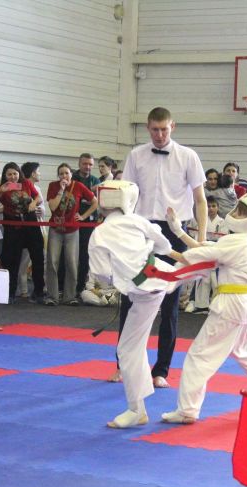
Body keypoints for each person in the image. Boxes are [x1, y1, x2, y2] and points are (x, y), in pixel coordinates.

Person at [161, 192, 247, 424]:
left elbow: (195, 257)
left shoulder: (235, 242)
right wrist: (178, 231)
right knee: (243, 350)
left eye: (241, 212)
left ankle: (187, 410)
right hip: (244, 301)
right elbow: (204, 249)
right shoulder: (243, 242)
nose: (234, 214)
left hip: (231, 304)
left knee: (199, 356)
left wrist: (162, 247)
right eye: (237, 209)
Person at [116, 106, 208, 388]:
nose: (159, 135)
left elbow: (200, 200)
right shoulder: (136, 155)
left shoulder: (188, 156)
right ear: (147, 128)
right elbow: (124, 197)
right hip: (141, 230)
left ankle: (161, 370)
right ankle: (124, 365)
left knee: (169, 302)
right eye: (155, 130)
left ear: (172, 127)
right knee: (130, 296)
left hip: (174, 231)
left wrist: (201, 240)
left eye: (164, 129)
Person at [88, 180, 173, 428]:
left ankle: (137, 410)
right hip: (157, 279)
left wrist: (119, 275)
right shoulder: (137, 221)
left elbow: (101, 274)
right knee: (133, 347)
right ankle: (139, 408)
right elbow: (165, 246)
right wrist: (143, 249)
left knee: (127, 349)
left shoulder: (100, 232)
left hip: (146, 289)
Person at [0, 162, 44, 303]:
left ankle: (39, 292)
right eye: (9, 174)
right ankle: (9, 293)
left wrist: (33, 203)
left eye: (15, 173)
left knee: (38, 258)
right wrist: (1, 190)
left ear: (19, 174)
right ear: (5, 175)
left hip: (30, 224)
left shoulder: (26, 183)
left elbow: (38, 198)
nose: (13, 177)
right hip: (13, 226)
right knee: (10, 261)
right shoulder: (3, 186)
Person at [45, 162, 97, 306]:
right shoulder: (53, 186)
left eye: (66, 173)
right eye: (61, 173)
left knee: (72, 262)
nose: (64, 176)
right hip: (56, 229)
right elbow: (53, 207)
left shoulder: (78, 186)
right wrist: (61, 190)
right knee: (52, 262)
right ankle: (52, 296)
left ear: (71, 174)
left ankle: (69, 296)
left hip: (72, 230)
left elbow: (95, 202)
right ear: (58, 175)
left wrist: (83, 216)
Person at [183, 195, 223, 314]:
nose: (211, 209)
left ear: (218, 207)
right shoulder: (198, 220)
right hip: (201, 249)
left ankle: (216, 304)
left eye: (213, 206)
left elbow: (222, 237)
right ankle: (197, 302)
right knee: (200, 277)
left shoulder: (222, 222)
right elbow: (191, 233)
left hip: (215, 251)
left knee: (215, 280)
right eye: (208, 206)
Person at [72, 153, 100, 297]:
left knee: (85, 255)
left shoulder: (96, 180)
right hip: (72, 222)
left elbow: (99, 202)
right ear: (79, 164)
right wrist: (88, 197)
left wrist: (87, 200)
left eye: (90, 164)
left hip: (89, 223)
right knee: (69, 256)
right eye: (85, 164)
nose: (87, 167)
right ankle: (65, 287)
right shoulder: (71, 178)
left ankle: (80, 287)